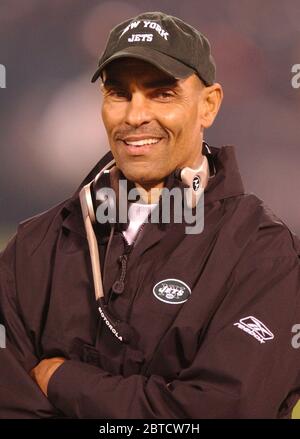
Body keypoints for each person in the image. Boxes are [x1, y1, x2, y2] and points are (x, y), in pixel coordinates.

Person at [0, 11, 300, 419]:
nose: (134, 115)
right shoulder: (34, 248)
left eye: (162, 94)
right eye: (119, 93)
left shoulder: (264, 254)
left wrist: (65, 381)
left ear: (208, 105)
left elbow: (223, 410)